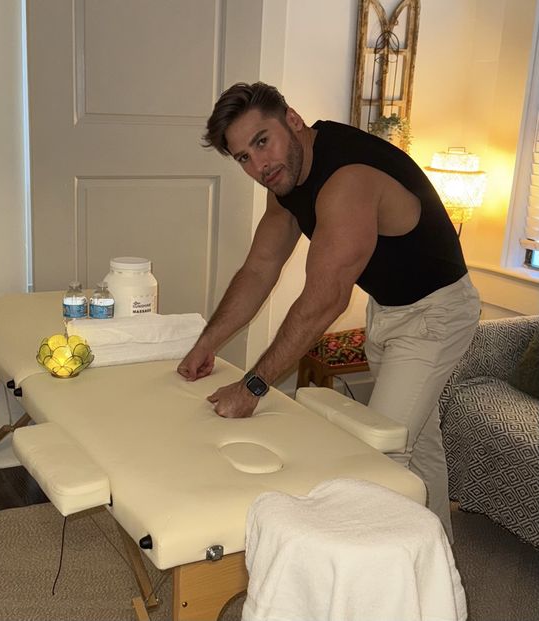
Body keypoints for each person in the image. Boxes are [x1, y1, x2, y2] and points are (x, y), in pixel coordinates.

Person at [177, 81, 480, 540]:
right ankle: (437, 564)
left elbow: (325, 300)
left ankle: (373, 572)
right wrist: (207, 343)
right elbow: (259, 269)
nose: (259, 165)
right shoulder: (285, 180)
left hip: (435, 314)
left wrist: (253, 386)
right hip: (389, 309)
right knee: (418, 448)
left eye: (262, 141)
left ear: (293, 120)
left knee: (377, 455)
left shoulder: (347, 179)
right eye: (243, 157)